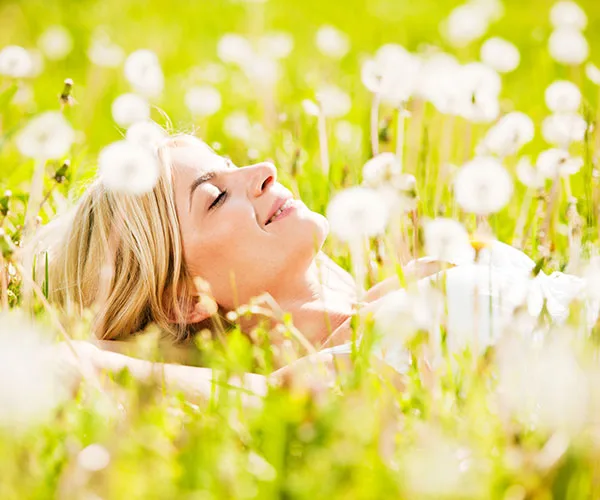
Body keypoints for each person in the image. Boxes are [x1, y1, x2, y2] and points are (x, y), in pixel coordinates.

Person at [29, 133, 590, 403]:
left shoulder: (411, 275)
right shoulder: (322, 379)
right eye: (215, 196)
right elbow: (264, 400)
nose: (265, 169)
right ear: (183, 299)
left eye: (230, 164)